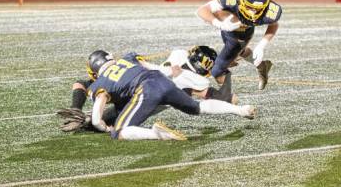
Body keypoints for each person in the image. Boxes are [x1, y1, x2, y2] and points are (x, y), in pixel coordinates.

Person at [56, 46, 236, 133]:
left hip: (139, 88)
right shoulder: (193, 78)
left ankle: (81, 115)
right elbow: (225, 97)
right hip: (147, 91)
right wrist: (225, 73)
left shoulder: (178, 54)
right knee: (113, 123)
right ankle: (86, 118)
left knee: (111, 119)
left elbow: (79, 83)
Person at [86, 50, 255, 140]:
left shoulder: (99, 84)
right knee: (197, 107)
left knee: (119, 132)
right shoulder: (127, 59)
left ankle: (157, 134)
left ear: (94, 71)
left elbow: (97, 115)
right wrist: (169, 71)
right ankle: (240, 110)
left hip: (146, 90)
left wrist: (103, 127)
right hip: (161, 80)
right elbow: (150, 66)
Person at [196, 0, 282, 90]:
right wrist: (220, 24)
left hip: (241, 34)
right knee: (240, 52)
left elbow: (274, 24)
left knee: (217, 70)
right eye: (249, 7)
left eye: (257, 9)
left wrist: (261, 45)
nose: (252, 12)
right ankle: (262, 66)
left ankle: (229, 99)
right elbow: (202, 10)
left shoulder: (270, 10)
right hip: (227, 27)